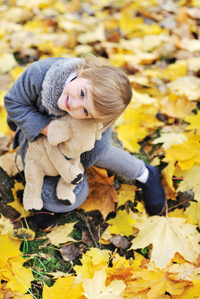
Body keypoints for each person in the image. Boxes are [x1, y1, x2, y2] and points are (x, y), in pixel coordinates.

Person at [4, 54, 166, 231]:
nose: (75, 105)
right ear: (84, 73)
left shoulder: (96, 109)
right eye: (82, 94)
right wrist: (48, 129)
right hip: (36, 130)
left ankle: (146, 174)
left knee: (100, 153)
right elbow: (13, 102)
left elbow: (93, 134)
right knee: (42, 174)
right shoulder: (39, 73)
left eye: (85, 110)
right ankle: (40, 200)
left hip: (74, 136)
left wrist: (78, 156)